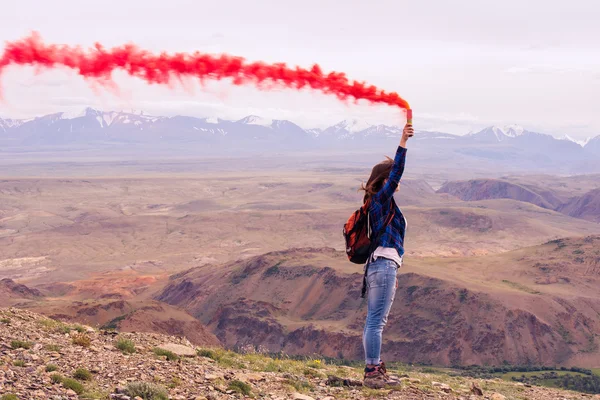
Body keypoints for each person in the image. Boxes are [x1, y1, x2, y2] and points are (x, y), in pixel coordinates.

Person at [360, 122, 413, 388]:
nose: (398, 181)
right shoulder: (380, 199)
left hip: (380, 266)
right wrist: (403, 141)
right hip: (383, 265)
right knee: (376, 322)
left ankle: (374, 367)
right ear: (384, 181)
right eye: (393, 178)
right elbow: (397, 172)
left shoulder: (377, 202)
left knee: (374, 320)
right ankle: (372, 372)